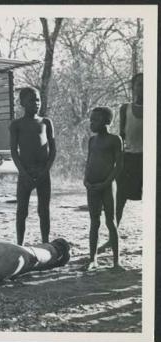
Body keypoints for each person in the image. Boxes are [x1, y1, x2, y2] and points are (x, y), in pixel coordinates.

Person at [99, 73, 143, 253]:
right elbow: (121, 137)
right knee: (119, 201)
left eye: (146, 84)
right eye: (139, 84)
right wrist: (114, 160)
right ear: (133, 88)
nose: (142, 88)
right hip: (128, 159)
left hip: (149, 160)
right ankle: (112, 238)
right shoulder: (126, 109)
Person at [10, 87, 56, 246]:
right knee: (22, 211)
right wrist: (23, 173)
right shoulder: (17, 125)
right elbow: (14, 152)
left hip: (43, 173)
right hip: (25, 174)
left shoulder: (46, 122)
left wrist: (46, 170)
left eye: (38, 100)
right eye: (31, 100)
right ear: (22, 103)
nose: (36, 103)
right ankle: (20, 244)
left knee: (44, 211)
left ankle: (45, 242)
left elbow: (53, 149)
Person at [82, 107, 124, 271]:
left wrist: (106, 183)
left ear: (107, 121)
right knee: (94, 222)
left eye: (95, 120)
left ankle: (116, 261)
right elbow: (88, 161)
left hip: (107, 186)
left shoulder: (115, 139)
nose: (92, 123)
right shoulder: (92, 140)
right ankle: (93, 259)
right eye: (91, 120)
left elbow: (118, 166)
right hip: (92, 186)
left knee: (110, 222)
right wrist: (86, 180)